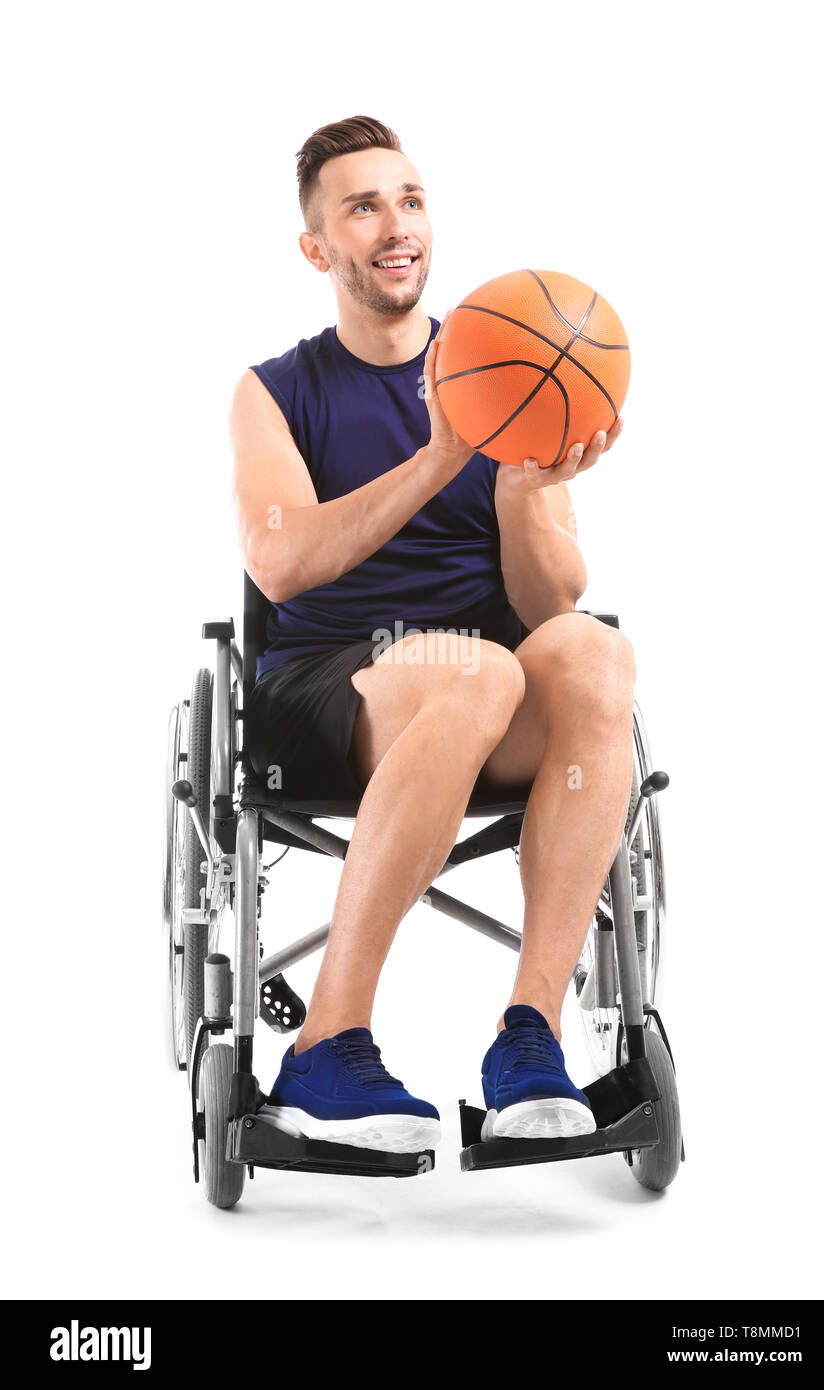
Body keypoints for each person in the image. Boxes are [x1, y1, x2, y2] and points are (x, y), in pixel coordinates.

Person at [230, 115, 634, 1154]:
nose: (395, 224)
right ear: (318, 247)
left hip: (485, 676)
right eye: (361, 206)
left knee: (592, 650)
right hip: (332, 687)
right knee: (476, 674)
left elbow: (551, 605)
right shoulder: (275, 391)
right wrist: (435, 457)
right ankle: (326, 1042)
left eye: (408, 198)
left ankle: (529, 1034)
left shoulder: (508, 360)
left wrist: (512, 489)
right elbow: (279, 561)